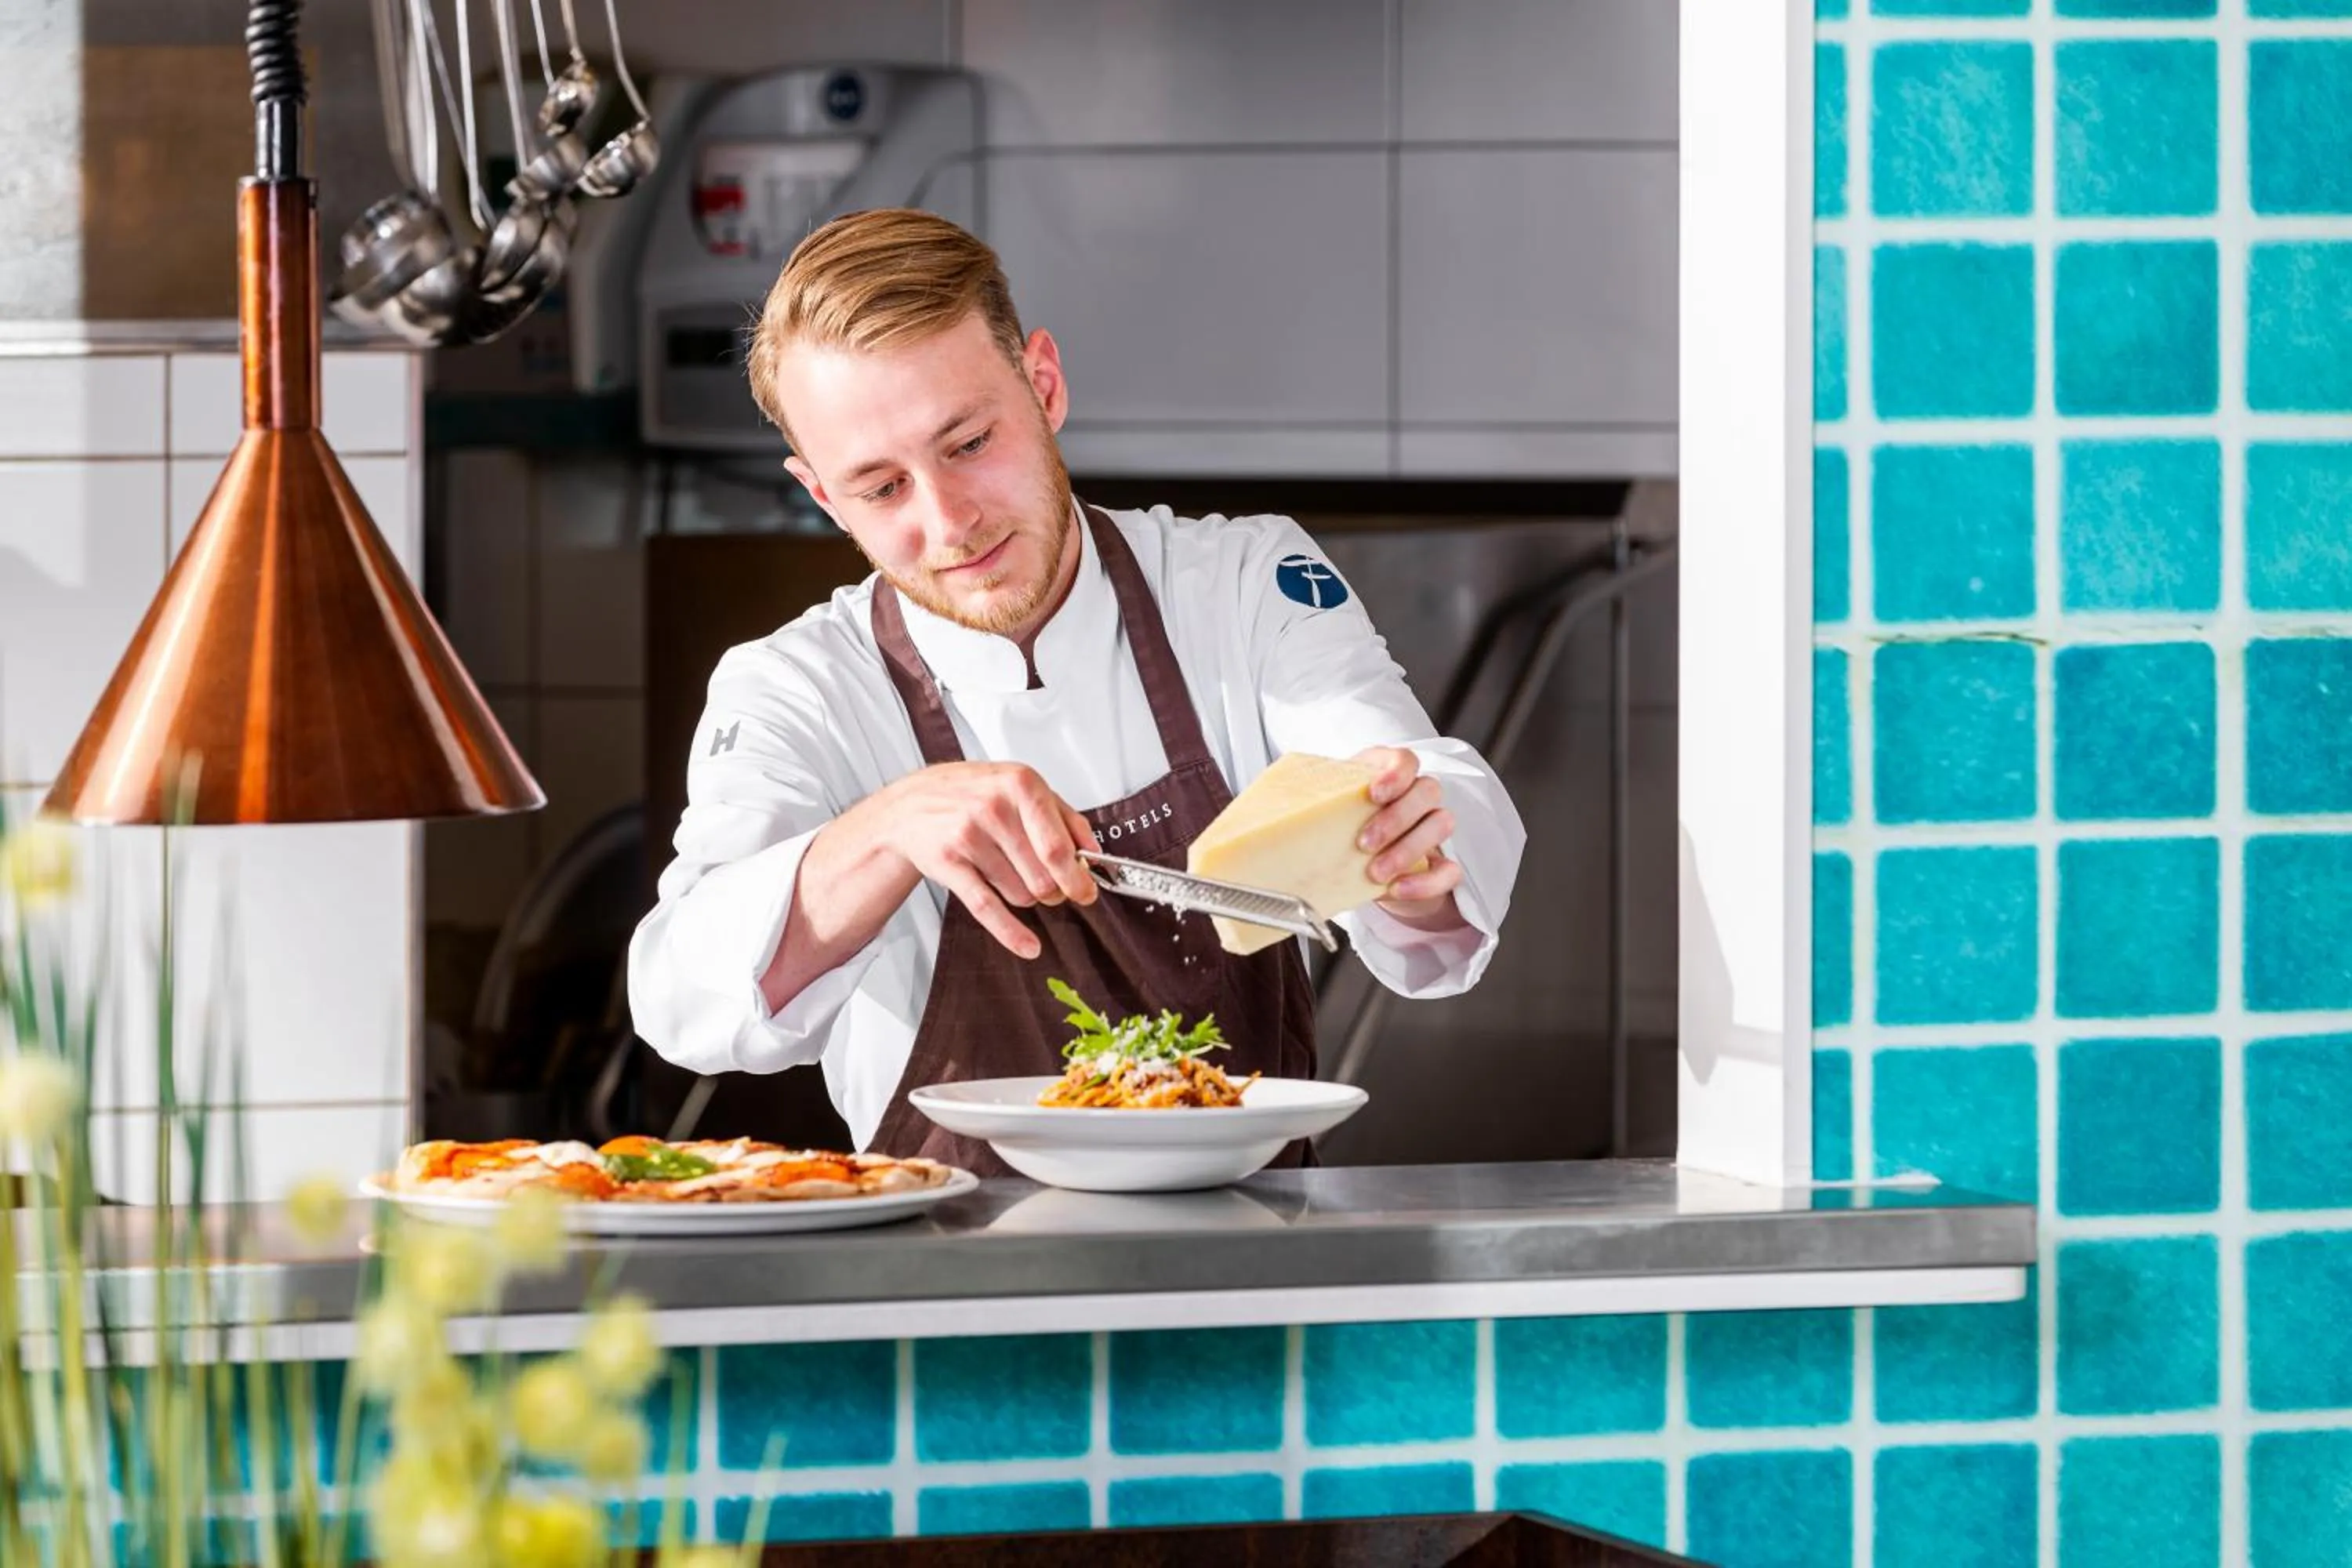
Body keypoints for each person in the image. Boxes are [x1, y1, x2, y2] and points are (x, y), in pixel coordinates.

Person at [626, 208, 1526, 1173]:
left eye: (968, 442)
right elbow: (684, 995)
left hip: (1259, 1254)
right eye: (882, 489)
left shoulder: (1239, 583)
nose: (950, 520)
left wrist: (1414, 856)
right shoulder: (795, 688)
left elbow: (1410, 788)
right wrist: (887, 829)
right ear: (823, 497)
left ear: (1043, 385)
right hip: (952, 1273)